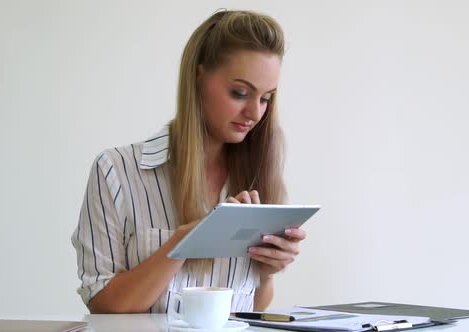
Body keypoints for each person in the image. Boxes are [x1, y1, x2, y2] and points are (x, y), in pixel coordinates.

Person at [71, 10, 306, 314]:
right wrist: (183, 242)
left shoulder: (257, 174)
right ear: (199, 77)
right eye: (240, 93)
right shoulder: (116, 171)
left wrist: (267, 271)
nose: (255, 113)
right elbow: (102, 303)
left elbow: (248, 309)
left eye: (265, 98)